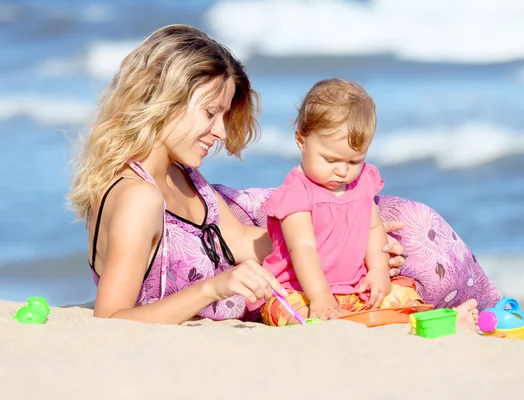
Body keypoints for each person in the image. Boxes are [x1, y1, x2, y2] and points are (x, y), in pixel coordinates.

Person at [68, 24, 411, 325]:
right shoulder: (137, 197)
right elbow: (111, 320)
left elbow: (247, 242)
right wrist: (213, 288)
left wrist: (347, 239)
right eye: (210, 113)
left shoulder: (183, 177)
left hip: (269, 243)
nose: (219, 131)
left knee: (405, 233)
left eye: (224, 115)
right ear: (164, 100)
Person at [251, 79, 483, 327]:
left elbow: (373, 229)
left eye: (354, 162)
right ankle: (340, 317)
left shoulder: (361, 183)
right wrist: (320, 297)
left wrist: (379, 272)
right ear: (301, 140)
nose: (342, 171)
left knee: (404, 296)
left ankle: (443, 322)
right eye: (330, 160)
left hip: (353, 287)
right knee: (288, 312)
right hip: (299, 289)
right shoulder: (296, 193)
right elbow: (303, 248)